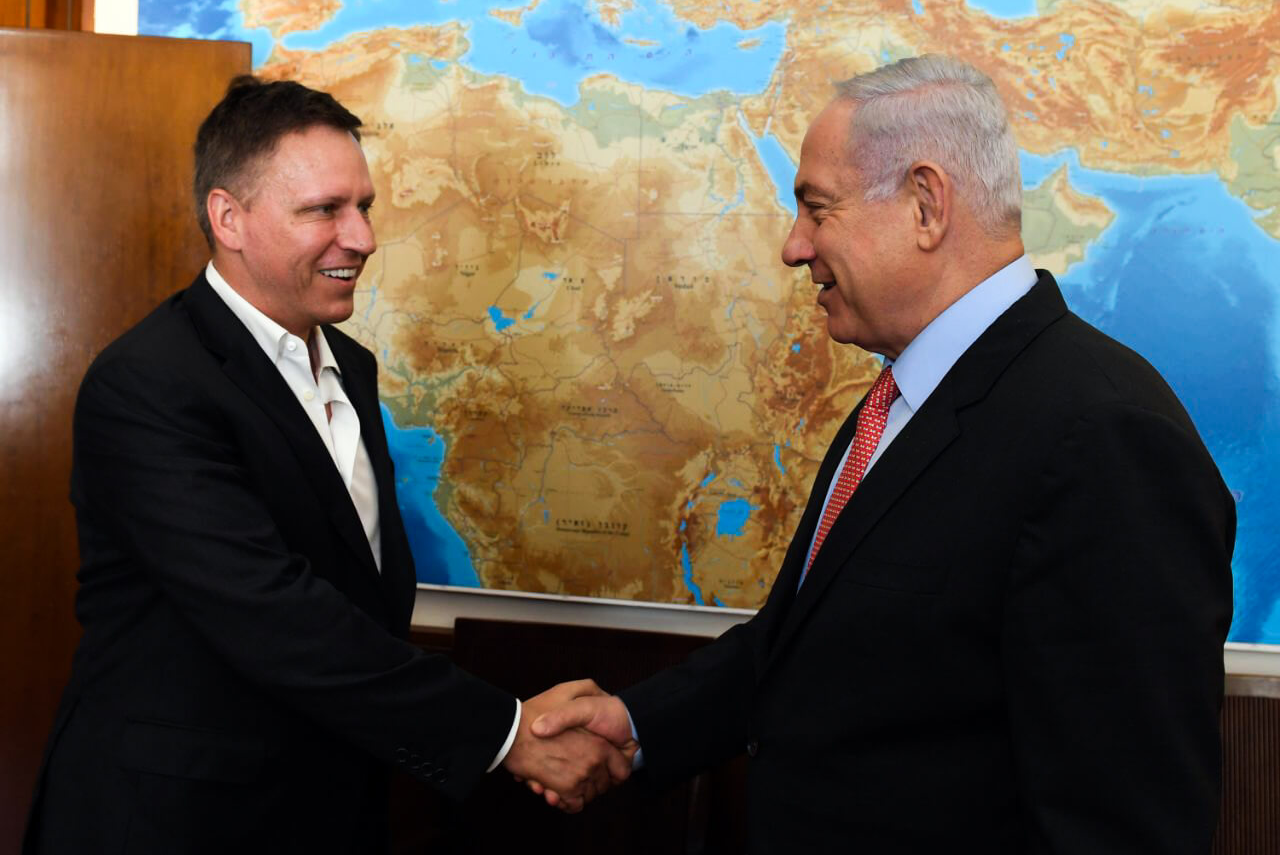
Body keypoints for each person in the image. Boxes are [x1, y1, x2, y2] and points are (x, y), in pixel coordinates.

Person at [532, 55, 1236, 853]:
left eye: (816, 208)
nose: (794, 247)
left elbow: (1125, 821)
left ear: (925, 204)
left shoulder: (1104, 436)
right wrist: (634, 723)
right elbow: (804, 646)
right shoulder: (902, 400)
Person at [24, 76, 628, 855]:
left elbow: (361, 593)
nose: (363, 237)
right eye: (324, 210)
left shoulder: (352, 364)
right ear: (228, 218)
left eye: (365, 206)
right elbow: (273, 615)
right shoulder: (148, 384)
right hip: (176, 820)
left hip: (329, 806)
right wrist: (508, 731)